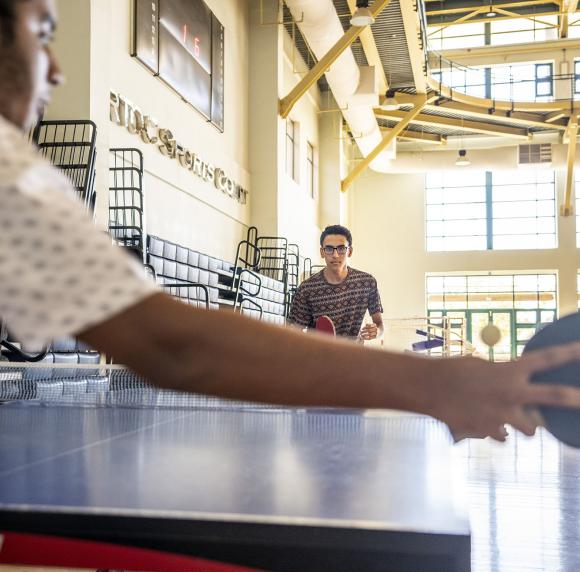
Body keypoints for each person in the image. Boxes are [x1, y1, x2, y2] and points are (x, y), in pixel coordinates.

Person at [2, 0, 580, 443]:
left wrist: (395, 353)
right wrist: (439, 384)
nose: (55, 69)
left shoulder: (365, 281)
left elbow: (170, 342)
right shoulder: (10, 173)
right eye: (44, 34)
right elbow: (172, 344)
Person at [289, 225, 383, 342]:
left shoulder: (367, 283)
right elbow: (293, 332)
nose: (335, 255)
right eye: (329, 249)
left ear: (350, 251)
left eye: (341, 248)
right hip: (319, 357)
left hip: (353, 356)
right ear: (322, 252)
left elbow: (380, 325)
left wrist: (376, 331)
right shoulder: (306, 289)